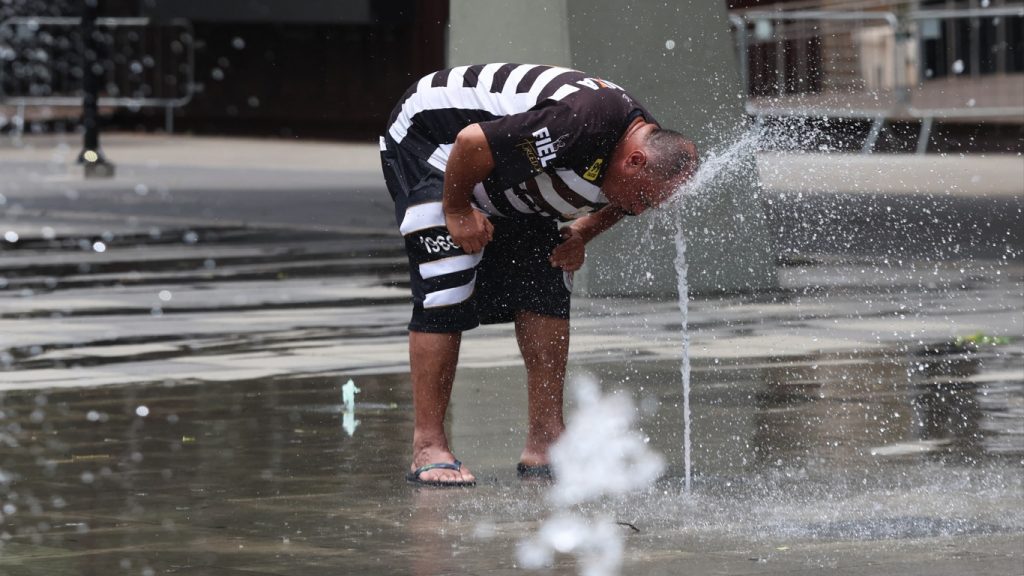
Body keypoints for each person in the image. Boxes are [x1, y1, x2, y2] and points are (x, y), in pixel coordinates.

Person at [380, 63, 698, 487]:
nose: (639, 210)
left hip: (503, 166)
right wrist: (455, 210)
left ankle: (546, 440)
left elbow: (621, 200)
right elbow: (472, 141)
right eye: (643, 198)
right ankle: (429, 446)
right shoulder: (583, 122)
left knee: (547, 276)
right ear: (635, 160)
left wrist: (583, 232)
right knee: (447, 283)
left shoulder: (643, 145)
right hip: (433, 143)